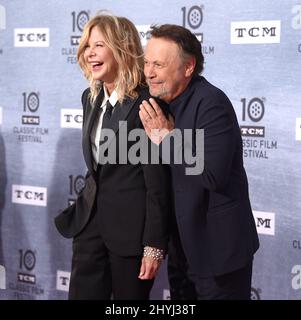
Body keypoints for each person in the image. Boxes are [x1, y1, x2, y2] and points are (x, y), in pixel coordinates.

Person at [139, 24, 260, 300]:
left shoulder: (212, 104)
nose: (149, 72)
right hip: (182, 253)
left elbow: (212, 174)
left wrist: (166, 138)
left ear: (188, 67)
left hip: (219, 255)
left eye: (158, 64)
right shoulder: (158, 103)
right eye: (147, 62)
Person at [54, 14, 171, 300]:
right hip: (89, 228)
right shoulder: (90, 98)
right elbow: (99, 167)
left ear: (121, 48)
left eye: (99, 45)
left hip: (131, 234)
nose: (89, 53)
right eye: (86, 46)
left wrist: (153, 244)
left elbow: (158, 183)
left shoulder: (147, 103)